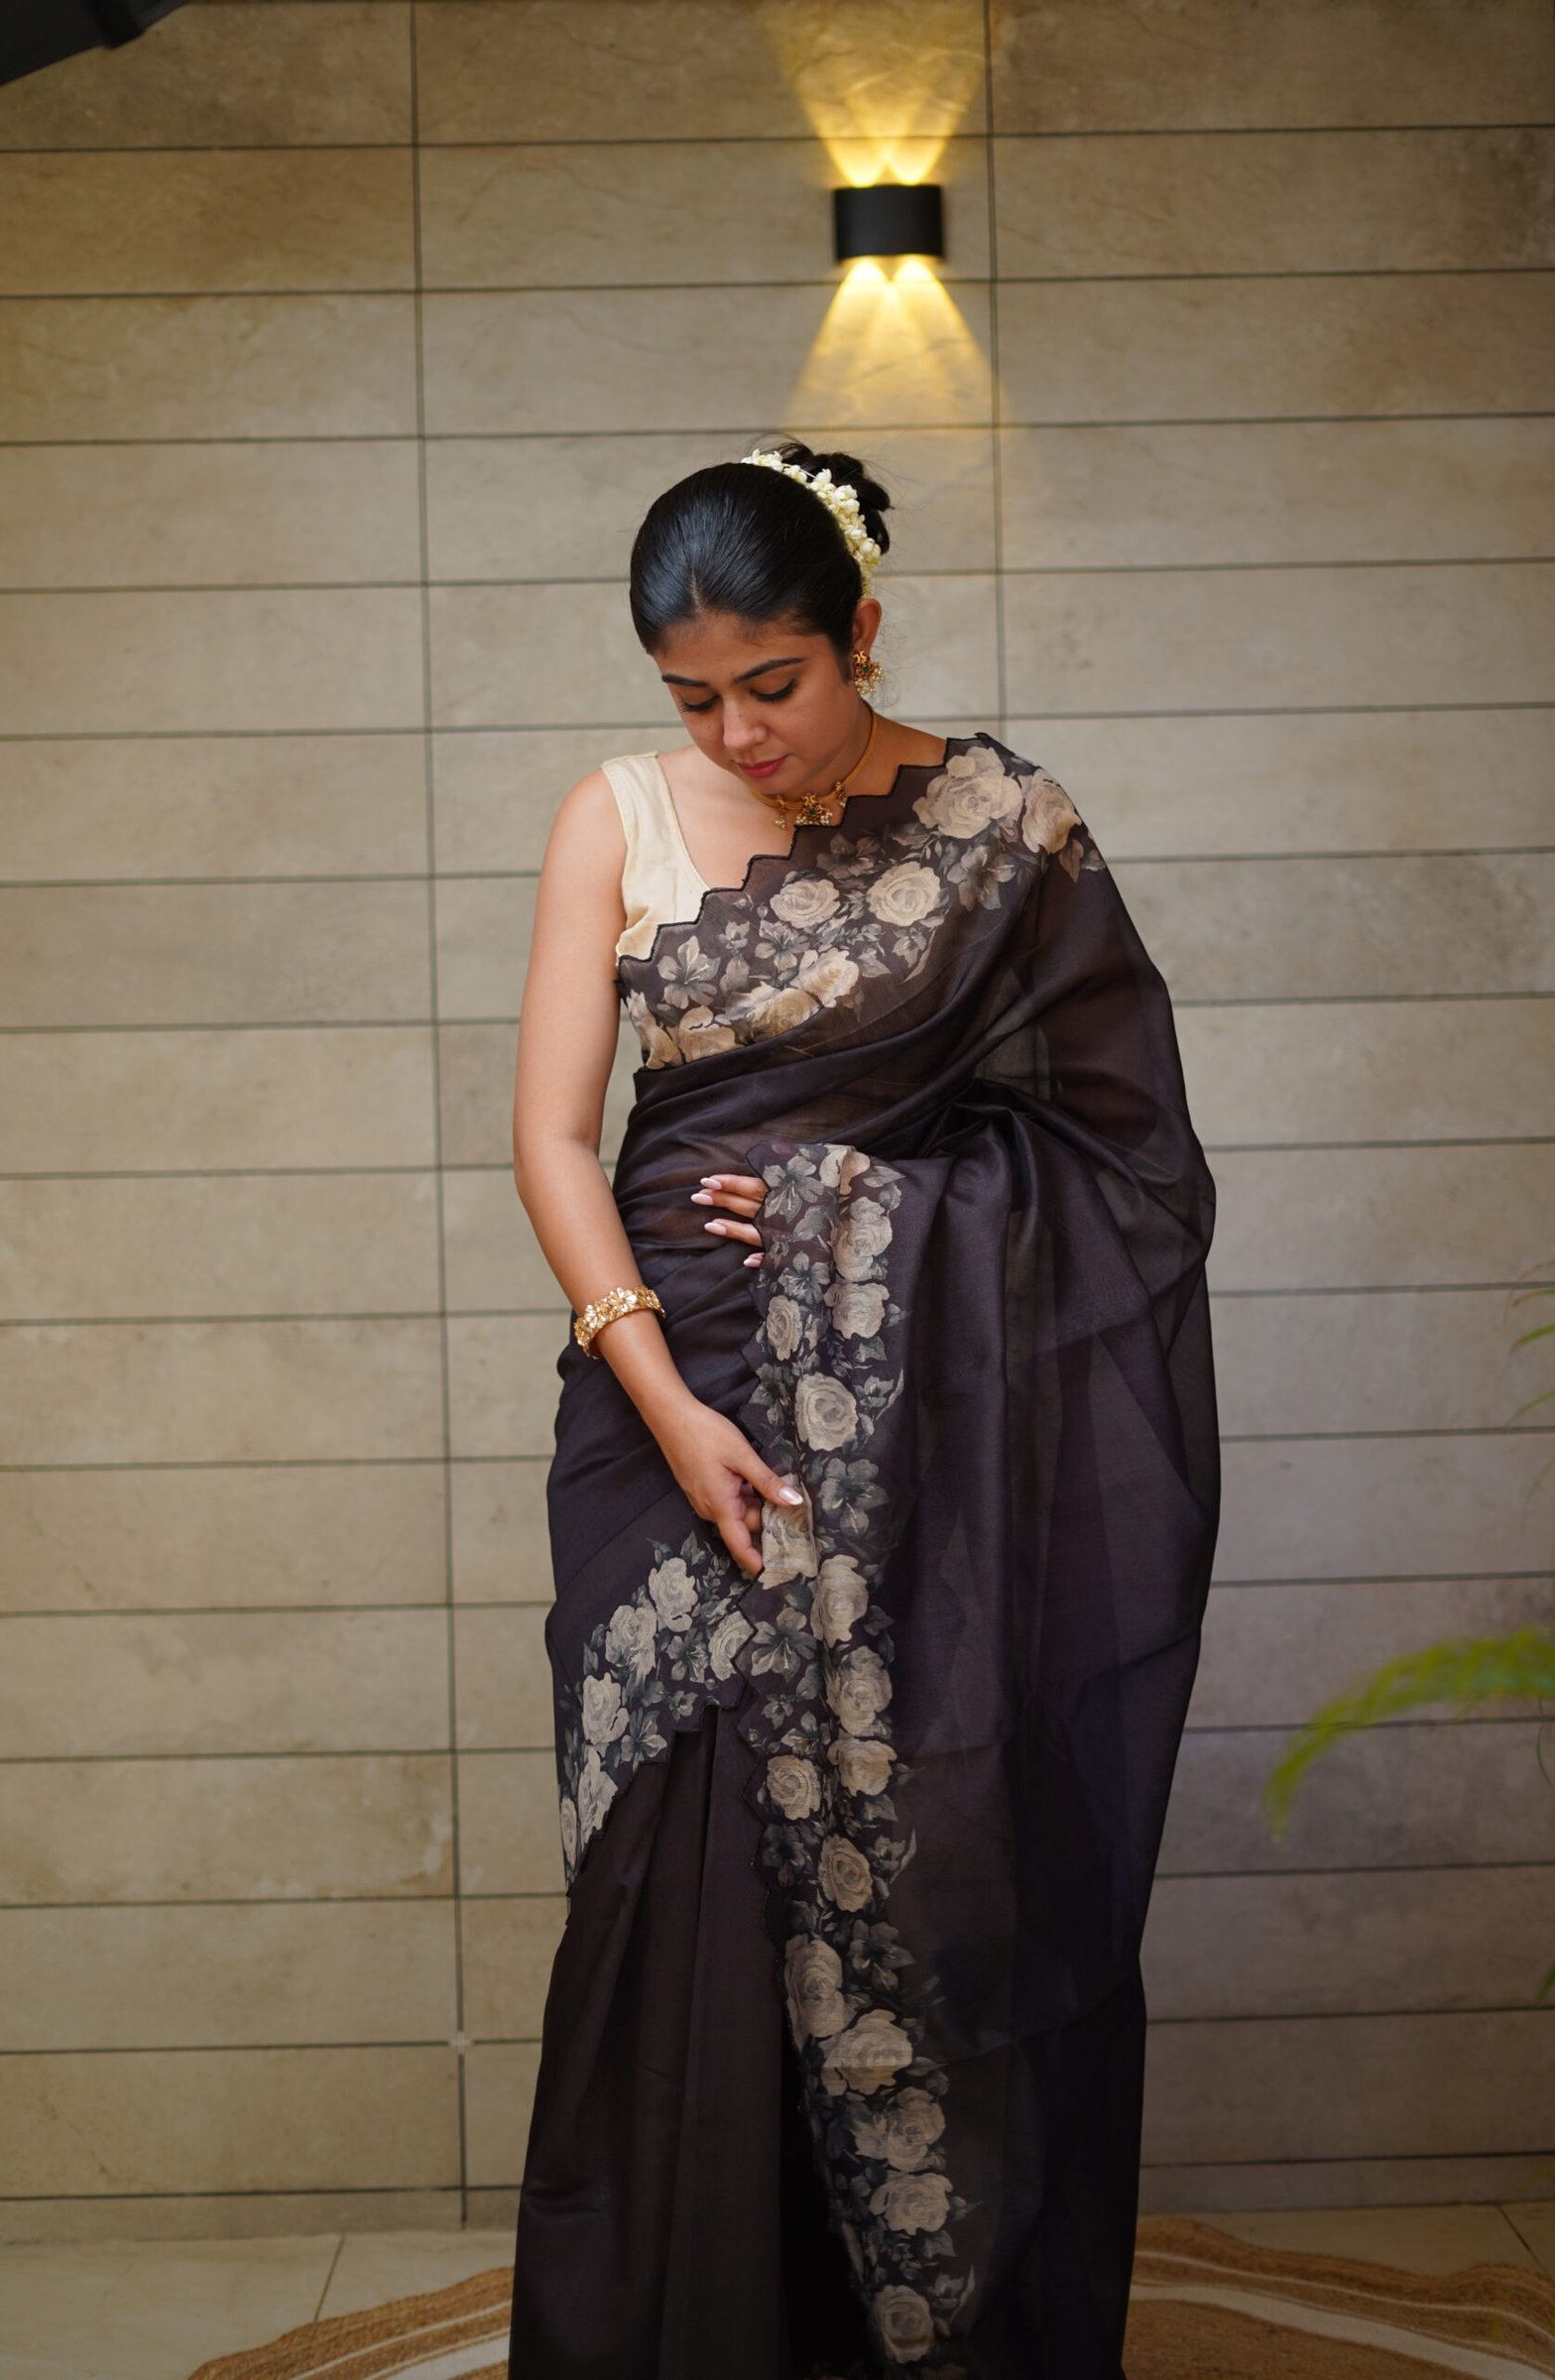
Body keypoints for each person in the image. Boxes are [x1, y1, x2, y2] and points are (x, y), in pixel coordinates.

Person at [506, 439, 1221, 2380]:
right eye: (692, 698)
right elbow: (552, 1140)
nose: (736, 734)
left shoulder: (1001, 829)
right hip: (664, 1407)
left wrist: (854, 1215)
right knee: (668, 1886)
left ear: (861, 633)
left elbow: (1129, 1172)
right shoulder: (612, 818)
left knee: (928, 1867)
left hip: (914, 1433)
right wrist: (664, 1401)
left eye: (775, 683)